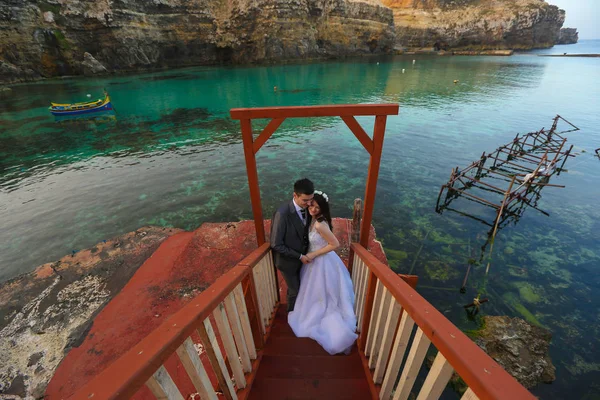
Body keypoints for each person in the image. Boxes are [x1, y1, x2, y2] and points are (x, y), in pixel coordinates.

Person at [288, 191, 358, 355]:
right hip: (314, 261)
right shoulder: (312, 219)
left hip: (320, 262)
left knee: (322, 292)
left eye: (317, 207)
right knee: (315, 291)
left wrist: (312, 254)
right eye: (312, 205)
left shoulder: (320, 224)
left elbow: (334, 244)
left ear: (322, 209)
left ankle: (327, 321)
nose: (313, 209)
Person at [270, 178, 314, 312]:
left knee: (304, 287)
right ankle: (291, 315)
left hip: (303, 260)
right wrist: (300, 256)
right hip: (287, 262)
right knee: (294, 290)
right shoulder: (282, 214)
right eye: (305, 200)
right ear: (295, 195)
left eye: (310, 199)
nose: (309, 203)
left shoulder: (308, 208)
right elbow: (276, 244)